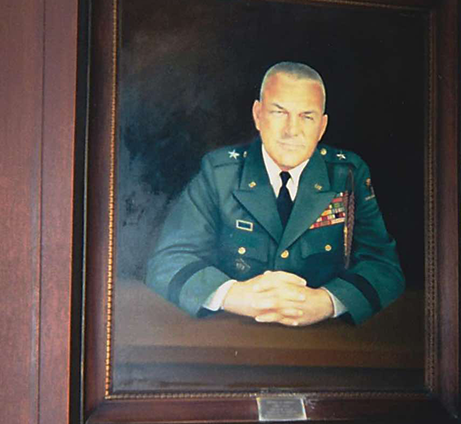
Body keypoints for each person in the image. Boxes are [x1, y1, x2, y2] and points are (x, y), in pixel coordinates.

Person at [146, 62, 404, 326]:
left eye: (307, 116)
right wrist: (232, 295)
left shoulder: (347, 174)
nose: (292, 130)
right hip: (236, 335)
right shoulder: (220, 173)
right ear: (258, 115)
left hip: (326, 341)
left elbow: (384, 267)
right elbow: (167, 261)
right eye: (279, 112)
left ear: (322, 126)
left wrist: (328, 301)